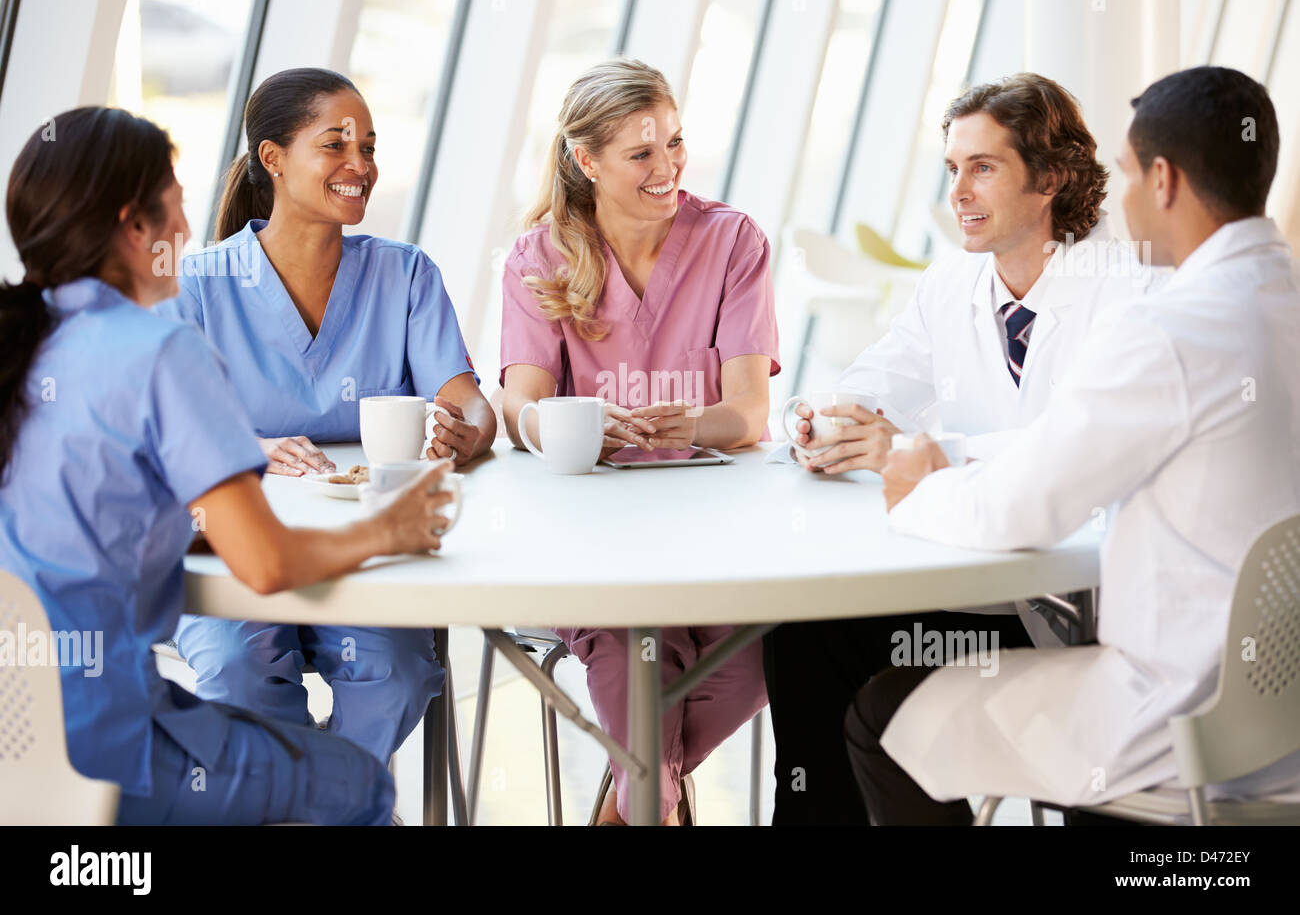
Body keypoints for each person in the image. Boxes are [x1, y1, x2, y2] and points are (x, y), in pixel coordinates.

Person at [847, 65, 1300, 822]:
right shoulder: (1275, 303)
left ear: (1163, 181)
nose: (1116, 204)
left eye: (1124, 177)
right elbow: (1066, 449)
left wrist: (919, 486)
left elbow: (1021, 512)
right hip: (1281, 715)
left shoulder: (1171, 330)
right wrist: (951, 458)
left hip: (1183, 718)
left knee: (883, 718)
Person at [0, 106, 458, 824]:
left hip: (20, 750)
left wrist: (181, 531)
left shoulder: (23, 346)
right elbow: (268, 566)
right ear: (134, 225)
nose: (186, 229)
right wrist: (388, 531)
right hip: (116, 753)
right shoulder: (157, 351)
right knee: (359, 787)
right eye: (175, 202)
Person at [764, 73, 1153, 824]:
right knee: (805, 636)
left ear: (1051, 178)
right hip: (973, 593)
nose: (960, 193)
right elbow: (873, 383)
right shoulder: (952, 284)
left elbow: (1076, 447)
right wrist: (817, 422)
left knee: (870, 675)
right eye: (951, 169)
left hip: (1080, 612)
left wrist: (925, 451)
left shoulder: (1123, 285)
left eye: (983, 167)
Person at [155, 68, 495, 766]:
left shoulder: (404, 274)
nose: (359, 166)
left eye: (368, 148)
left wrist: (468, 428)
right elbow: (158, 432)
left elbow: (467, 398)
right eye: (336, 145)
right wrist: (245, 444)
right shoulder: (198, 286)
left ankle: (325, 807)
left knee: (397, 675)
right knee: (238, 672)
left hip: (371, 551)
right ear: (273, 159)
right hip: (234, 547)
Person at [500, 59, 780, 824]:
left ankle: (630, 805)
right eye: (642, 153)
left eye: (675, 144)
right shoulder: (538, 257)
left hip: (715, 539)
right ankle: (649, 804)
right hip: (593, 548)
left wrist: (683, 424)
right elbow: (517, 405)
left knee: (764, 654)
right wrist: (575, 426)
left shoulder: (731, 241)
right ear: (586, 161)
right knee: (632, 653)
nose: (669, 169)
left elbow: (748, 415)